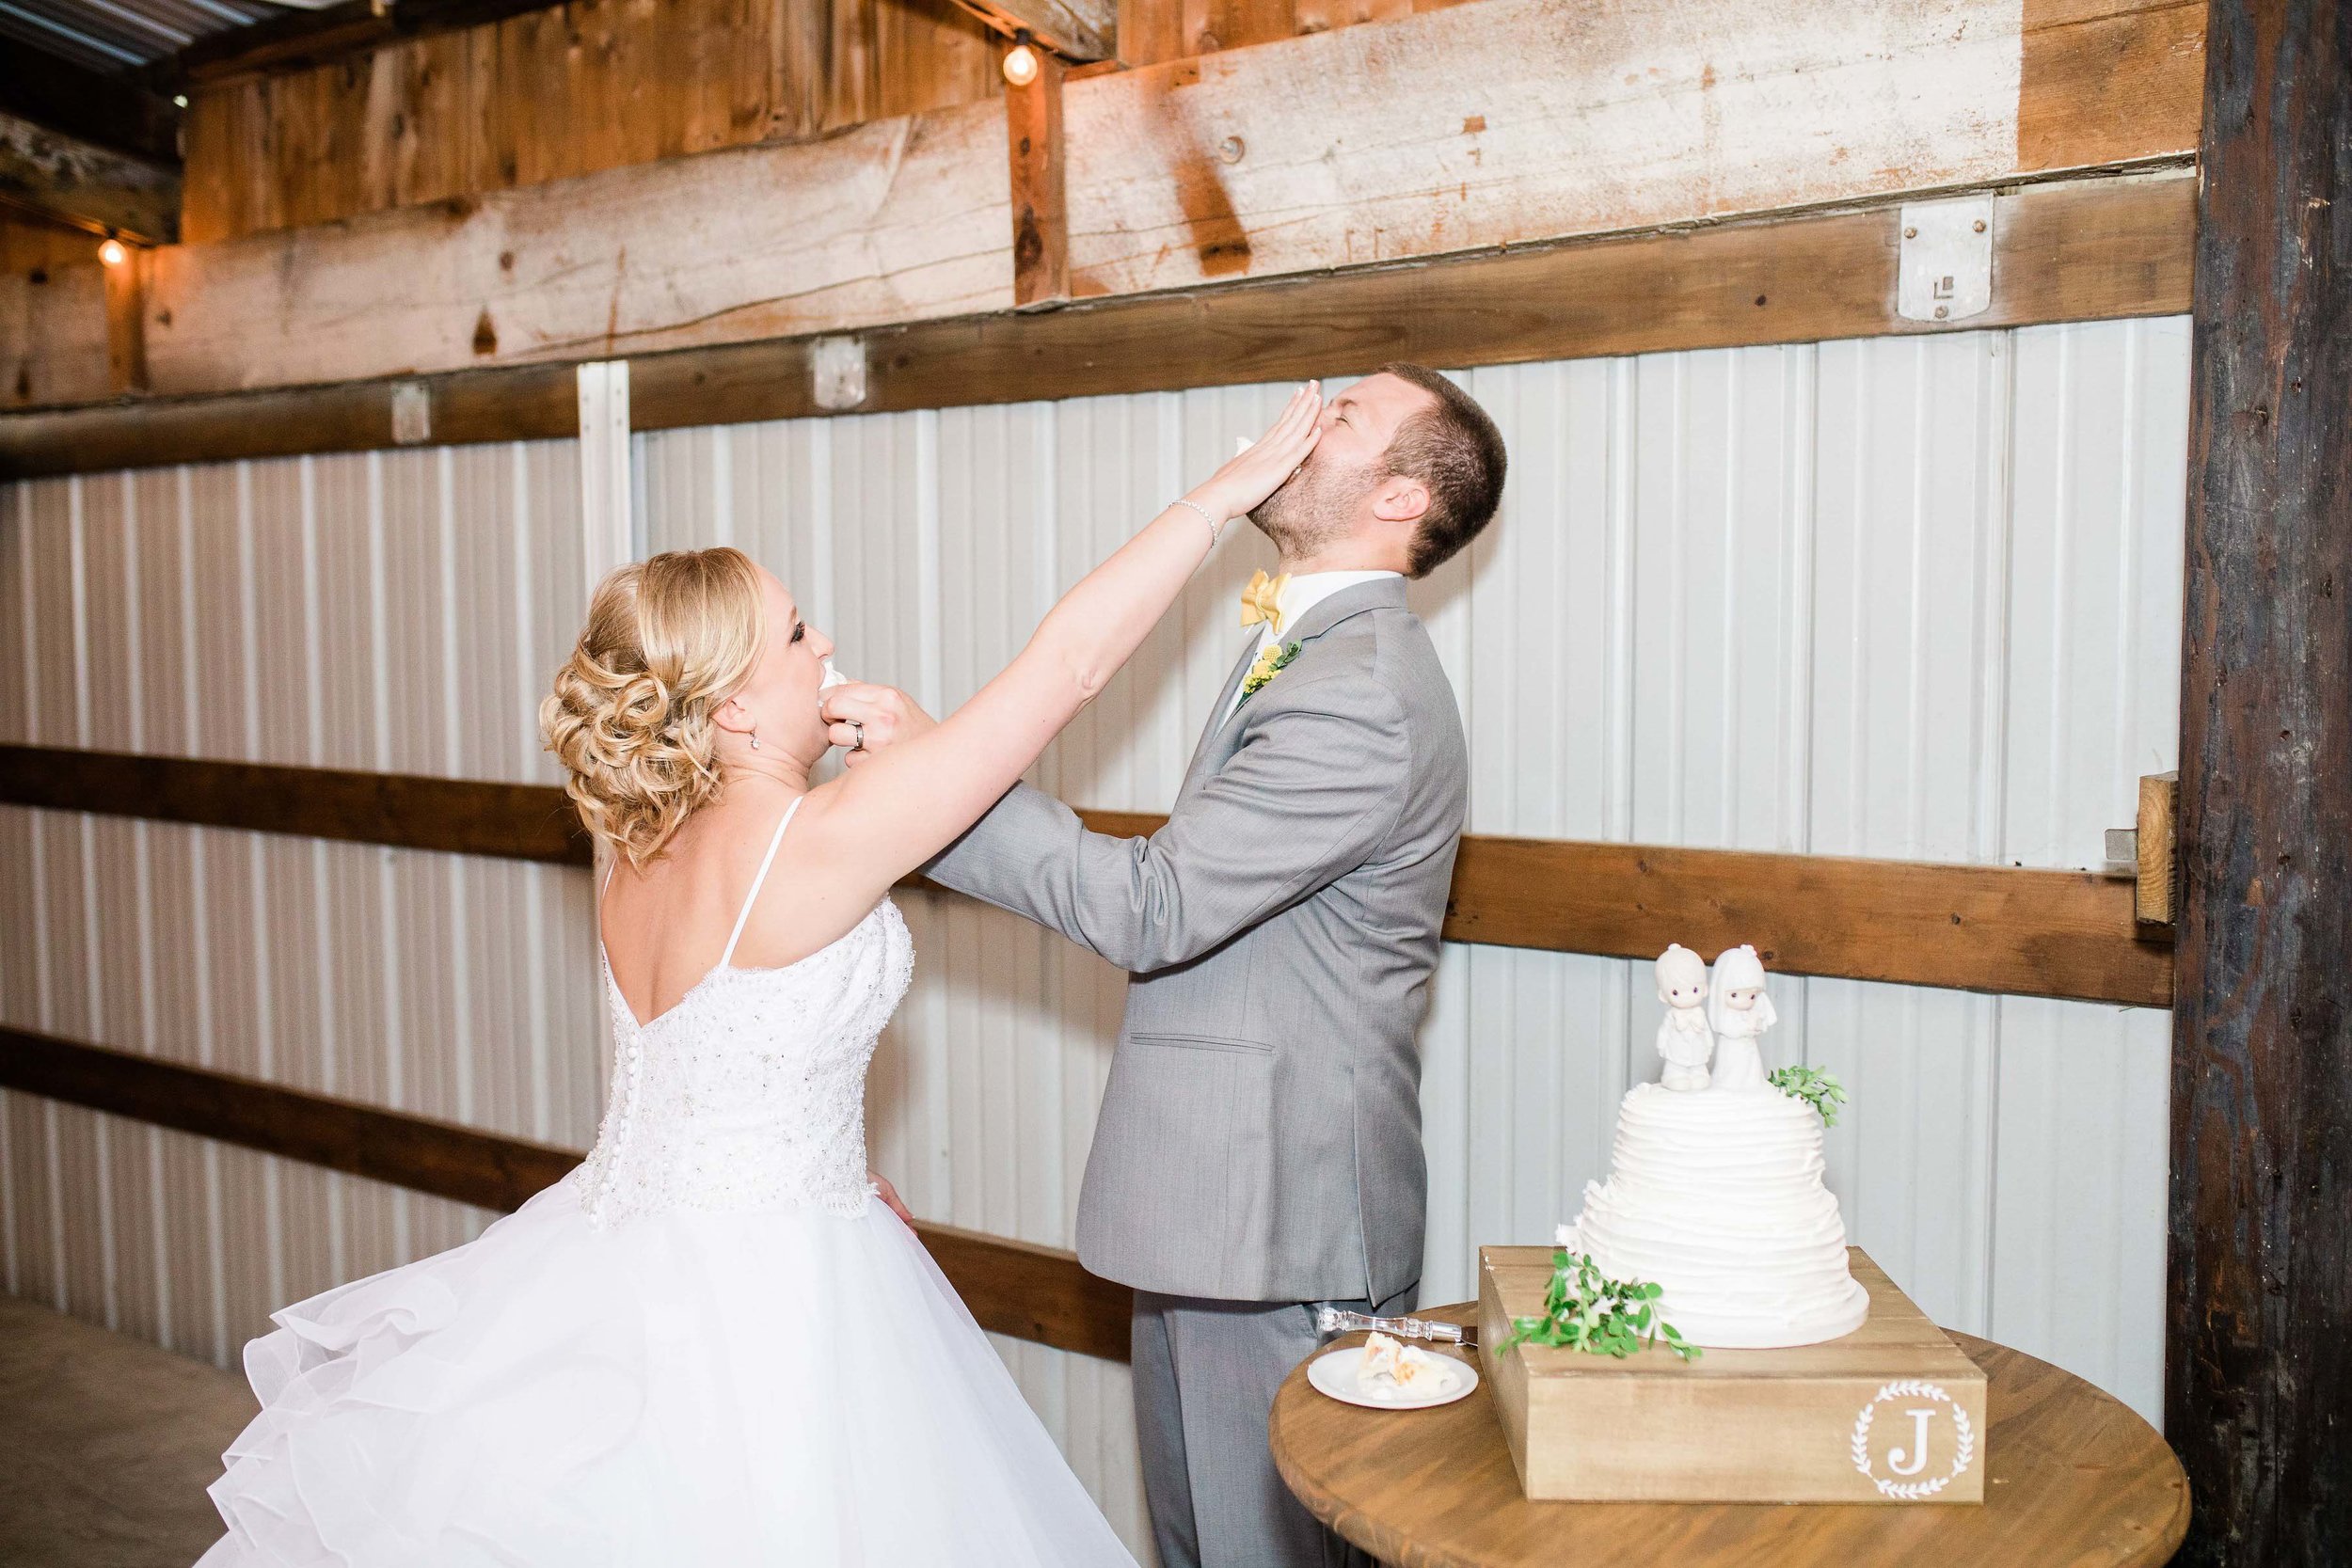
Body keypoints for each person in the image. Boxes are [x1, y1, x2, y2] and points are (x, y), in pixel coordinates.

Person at [194, 385, 1333, 1567]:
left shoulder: (627, 836)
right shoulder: (820, 841)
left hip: (616, 1245)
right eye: (797, 634)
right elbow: (1071, 663)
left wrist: (828, 1154)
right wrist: (1220, 495)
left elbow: (708, 1056)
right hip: (771, 1296)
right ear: (734, 701)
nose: (825, 643)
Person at [829, 364, 1506, 1568]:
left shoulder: (1362, 693)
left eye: (1340, 415)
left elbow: (1160, 905)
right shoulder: (1311, 651)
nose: (1301, 416)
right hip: (1215, 1212)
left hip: (1274, 1219)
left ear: (1400, 497)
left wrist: (936, 780)